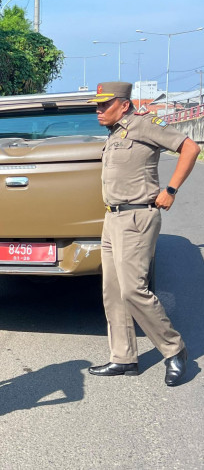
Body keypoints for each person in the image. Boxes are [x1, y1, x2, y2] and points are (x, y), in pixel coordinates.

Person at [88, 81, 201, 386]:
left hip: (137, 217)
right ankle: (123, 358)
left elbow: (190, 148)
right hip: (113, 218)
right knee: (113, 291)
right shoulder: (114, 133)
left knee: (133, 290)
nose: (98, 110)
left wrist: (171, 190)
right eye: (97, 105)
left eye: (105, 104)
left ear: (124, 104)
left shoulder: (144, 125)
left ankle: (174, 349)